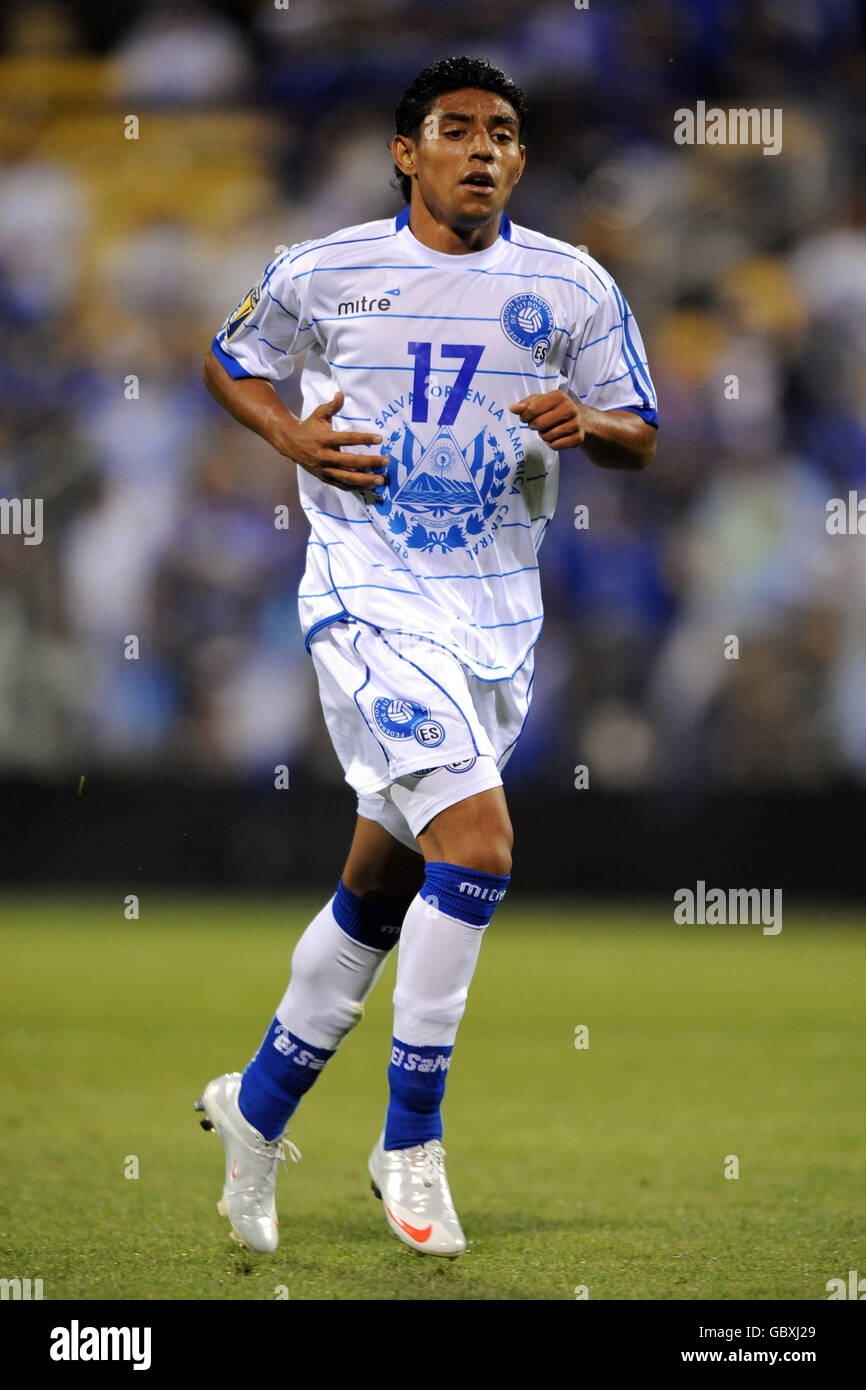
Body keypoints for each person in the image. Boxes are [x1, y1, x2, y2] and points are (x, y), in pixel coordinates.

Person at [196, 55, 657, 1259]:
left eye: (501, 133)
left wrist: (590, 423)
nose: (483, 151)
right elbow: (230, 356)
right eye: (455, 131)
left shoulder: (570, 286)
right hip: (364, 598)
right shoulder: (325, 270)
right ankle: (410, 1139)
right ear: (408, 152)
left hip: (493, 623)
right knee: (481, 845)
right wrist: (287, 430)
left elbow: (640, 434)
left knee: (380, 889)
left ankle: (253, 1109)